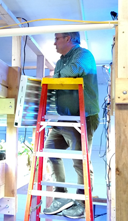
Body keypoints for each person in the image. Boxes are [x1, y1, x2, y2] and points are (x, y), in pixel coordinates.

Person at [43, 32, 100, 218]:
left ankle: (82, 202)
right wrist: (57, 76)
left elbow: (73, 71)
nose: (54, 43)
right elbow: (59, 78)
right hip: (63, 118)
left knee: (79, 160)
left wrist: (57, 76)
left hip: (83, 117)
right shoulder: (60, 61)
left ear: (69, 39)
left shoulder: (84, 55)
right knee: (49, 151)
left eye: (57, 38)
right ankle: (61, 196)